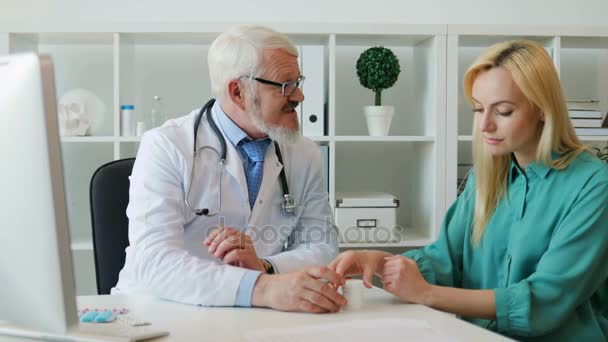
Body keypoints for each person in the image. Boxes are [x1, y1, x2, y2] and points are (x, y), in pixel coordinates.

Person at [329, 40, 608, 339]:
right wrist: (377, 262)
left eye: (503, 111)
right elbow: (444, 260)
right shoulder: (486, 178)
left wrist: (426, 294)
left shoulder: (593, 185)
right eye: (478, 109)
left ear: (543, 109)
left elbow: (544, 300)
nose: (484, 125)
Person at [113, 25, 346, 314]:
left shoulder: (304, 153)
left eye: (298, 82)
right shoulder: (166, 145)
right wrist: (260, 286)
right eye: (285, 86)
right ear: (238, 92)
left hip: (255, 314)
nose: (299, 96)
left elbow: (322, 245)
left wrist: (265, 267)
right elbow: (152, 261)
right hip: (162, 312)